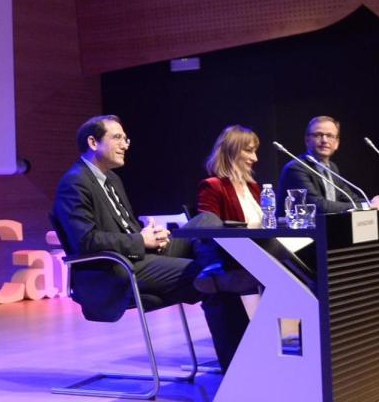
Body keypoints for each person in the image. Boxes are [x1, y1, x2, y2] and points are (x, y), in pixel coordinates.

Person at [50, 115, 251, 372]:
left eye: (126, 138)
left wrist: (149, 235)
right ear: (92, 142)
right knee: (211, 279)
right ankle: (240, 368)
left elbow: (126, 227)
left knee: (206, 220)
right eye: (117, 138)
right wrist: (139, 240)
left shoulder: (111, 179)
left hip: (138, 255)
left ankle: (217, 271)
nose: (126, 144)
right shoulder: (74, 183)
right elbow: (86, 241)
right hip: (114, 270)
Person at [277, 116, 379, 214]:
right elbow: (318, 206)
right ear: (307, 140)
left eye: (330, 136)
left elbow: (350, 198)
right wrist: (368, 206)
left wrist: (375, 203)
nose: (324, 140)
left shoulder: (331, 167)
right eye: (318, 135)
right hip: (300, 232)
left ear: (337, 143)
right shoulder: (296, 168)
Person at [197, 125, 262, 225]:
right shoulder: (213, 186)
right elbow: (208, 230)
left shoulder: (253, 187)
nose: (255, 158)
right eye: (249, 150)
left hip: (263, 240)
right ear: (231, 152)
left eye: (254, 152)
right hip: (238, 241)